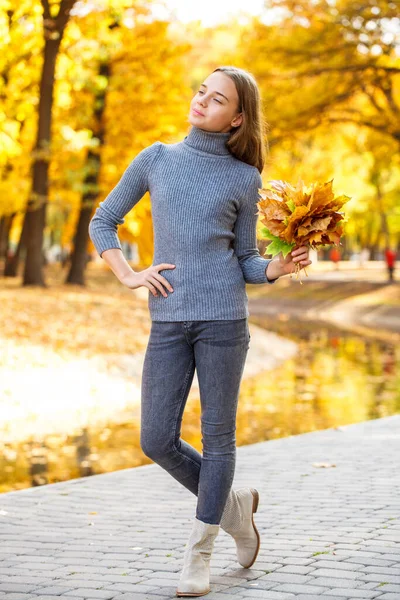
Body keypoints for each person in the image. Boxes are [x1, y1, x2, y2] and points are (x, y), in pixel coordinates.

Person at [88, 66, 311, 597]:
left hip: (224, 321)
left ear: (237, 117)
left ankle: (200, 549)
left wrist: (276, 269)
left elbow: (248, 260)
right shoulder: (157, 159)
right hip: (167, 318)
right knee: (155, 438)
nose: (202, 102)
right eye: (201, 92)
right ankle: (233, 507)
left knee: (218, 438)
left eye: (217, 100)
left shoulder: (243, 178)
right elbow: (104, 220)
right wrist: (129, 275)